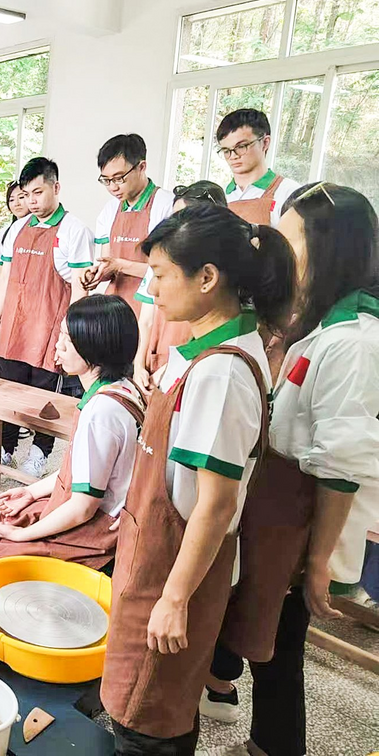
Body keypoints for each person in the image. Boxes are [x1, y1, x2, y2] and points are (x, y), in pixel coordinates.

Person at [100, 203, 296, 755]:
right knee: (153, 708)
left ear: (207, 278)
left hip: (173, 569)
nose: (153, 291)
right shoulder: (201, 355)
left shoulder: (223, 371)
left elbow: (214, 506)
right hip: (153, 558)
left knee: (148, 721)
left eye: (161, 275)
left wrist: (174, 599)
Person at [201, 184, 379, 756]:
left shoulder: (353, 341)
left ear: (329, 247)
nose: (280, 243)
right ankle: (221, 685)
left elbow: (340, 464)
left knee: (278, 649)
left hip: (304, 522)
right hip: (279, 507)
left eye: (293, 234)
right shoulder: (318, 322)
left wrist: (320, 560)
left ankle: (276, 746)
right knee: (257, 622)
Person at [0, 295, 145, 576]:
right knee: (10, 518)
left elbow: (83, 507)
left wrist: (23, 535)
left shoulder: (101, 411)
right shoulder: (125, 388)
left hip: (99, 529)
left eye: (66, 340)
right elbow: (83, 470)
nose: (57, 346)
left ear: (93, 348)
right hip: (97, 511)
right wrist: (30, 491)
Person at [0, 157, 93, 477]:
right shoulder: (16, 229)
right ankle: (7, 449)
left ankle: (40, 454)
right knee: (9, 391)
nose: (32, 201)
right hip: (14, 327)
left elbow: (81, 286)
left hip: (49, 330)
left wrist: (70, 335)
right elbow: (4, 280)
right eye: (26, 194)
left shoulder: (74, 230)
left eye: (38, 193)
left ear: (56, 187)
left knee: (47, 398)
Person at [132, 181, 228, 395]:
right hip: (153, 364)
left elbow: (205, 335)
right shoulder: (160, 259)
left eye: (184, 218)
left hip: (183, 367)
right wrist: (139, 365)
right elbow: (146, 321)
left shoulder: (214, 275)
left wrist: (171, 369)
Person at [85, 134, 174, 314]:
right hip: (114, 309)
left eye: (119, 178)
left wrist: (120, 265)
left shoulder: (167, 206)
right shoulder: (109, 211)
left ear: (142, 167)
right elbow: (108, 262)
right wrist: (97, 274)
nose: (113, 187)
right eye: (106, 180)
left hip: (153, 307)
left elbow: (170, 271)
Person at [216, 109, 300, 226]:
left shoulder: (289, 194)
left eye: (241, 146)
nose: (233, 156)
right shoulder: (219, 197)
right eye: (226, 150)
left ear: (265, 143)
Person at [0, 180, 30, 262]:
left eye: (21, 197)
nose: (17, 203)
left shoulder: (41, 229)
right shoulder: (4, 233)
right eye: (12, 200)